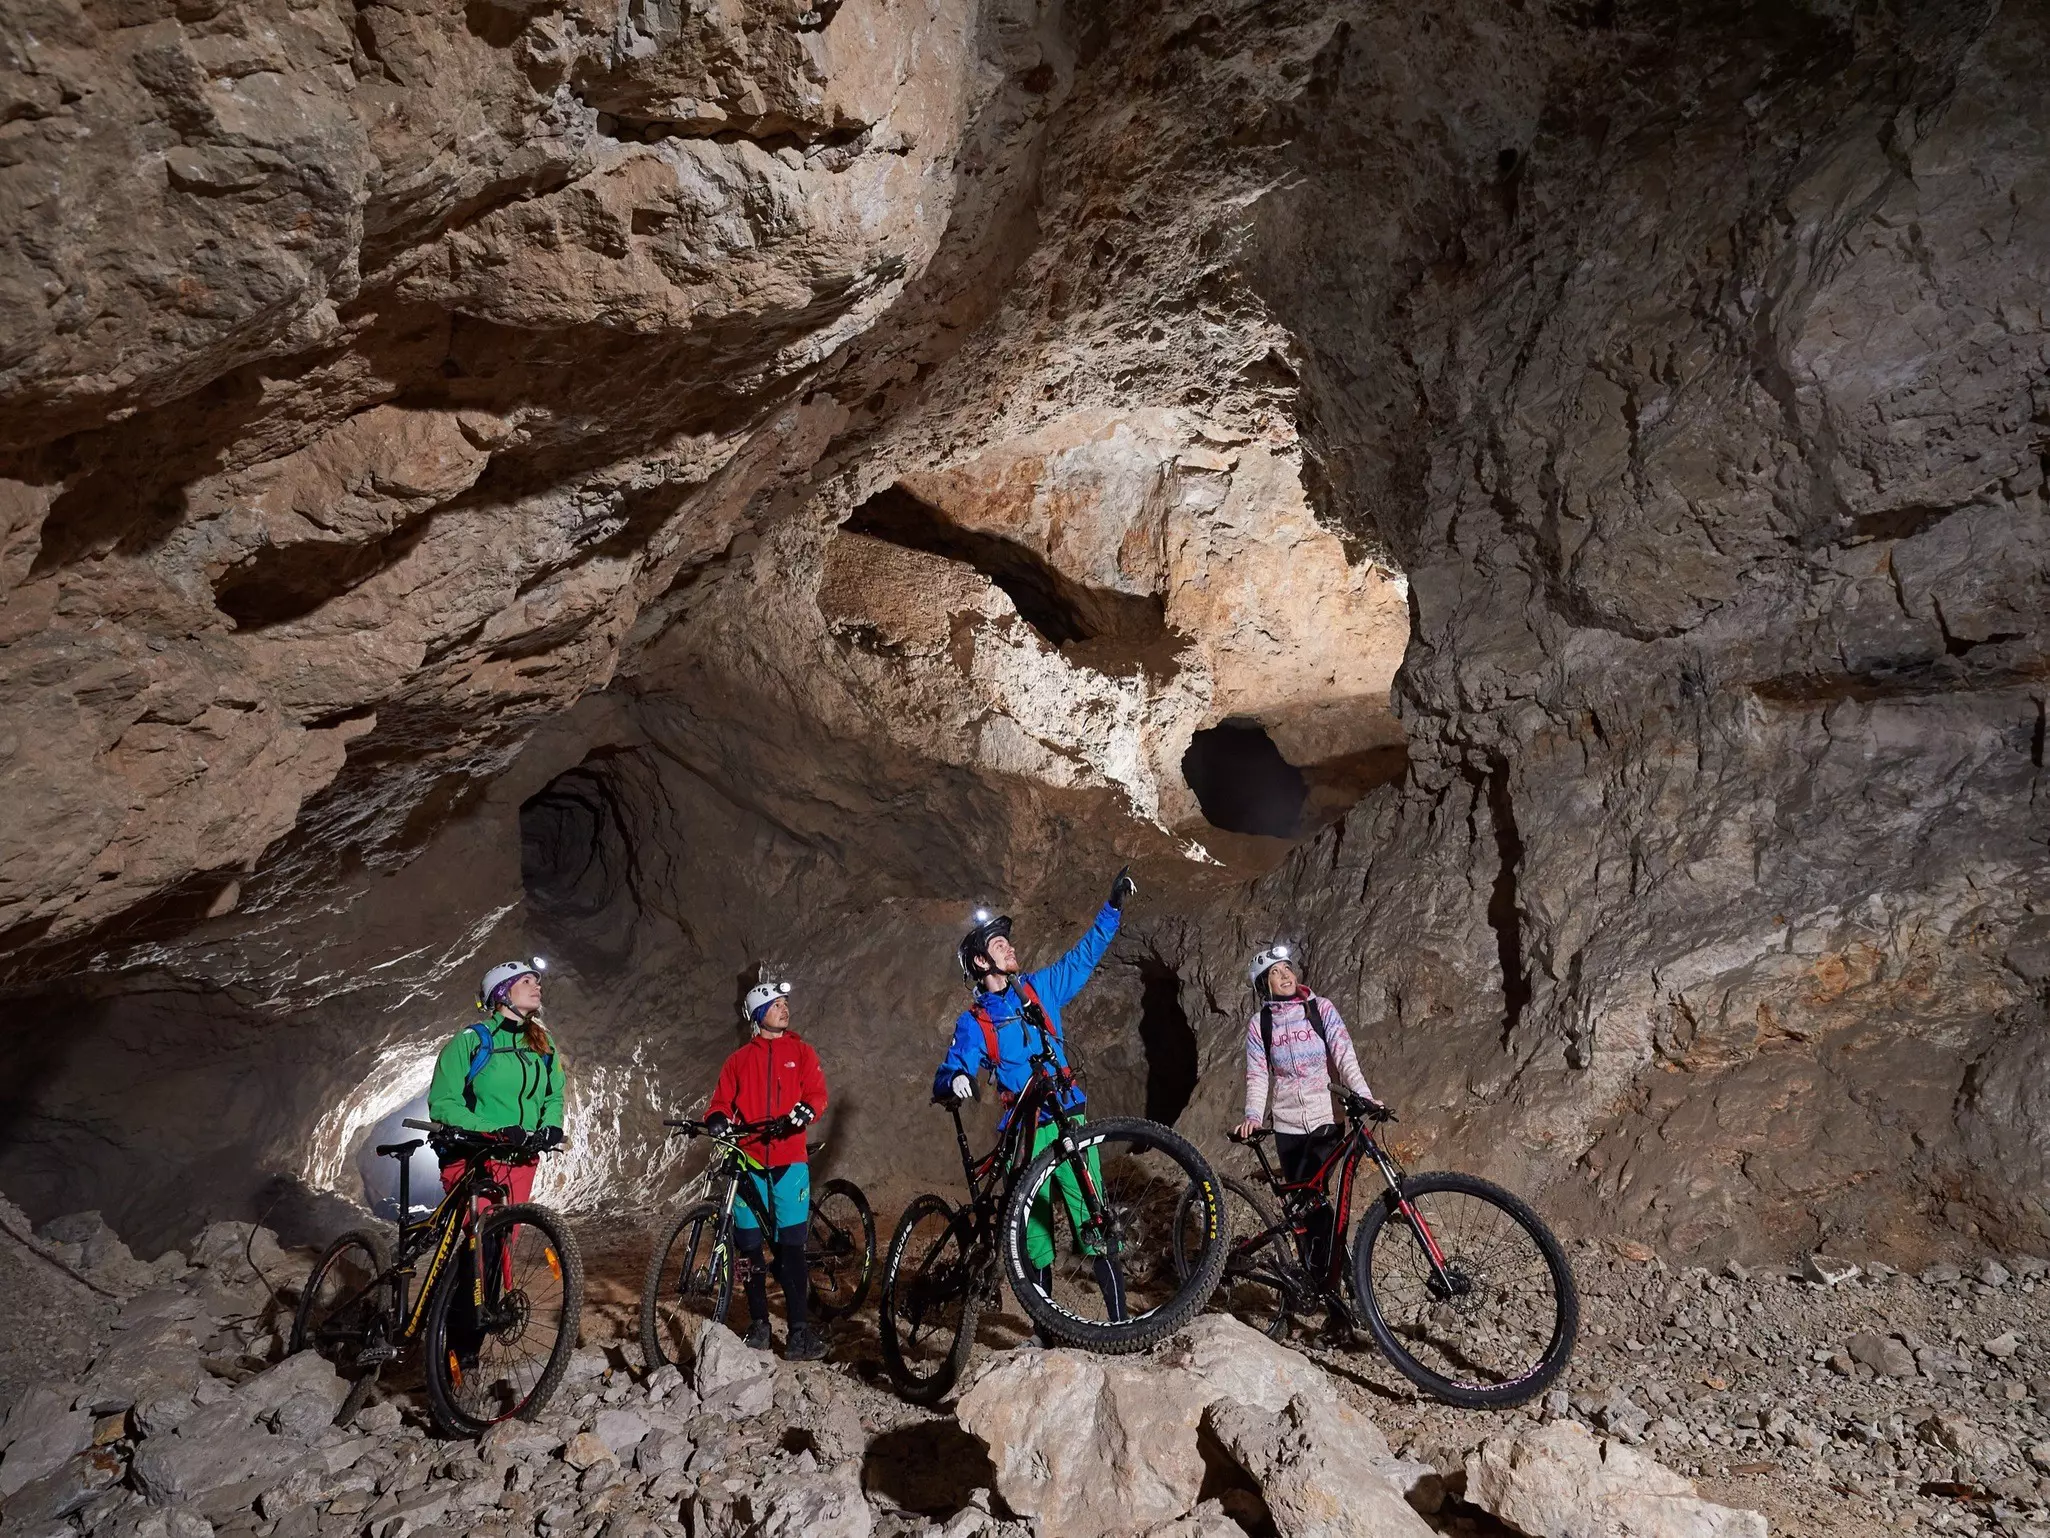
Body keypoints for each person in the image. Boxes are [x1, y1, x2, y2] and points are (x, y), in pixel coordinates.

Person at [932, 868, 1138, 1323]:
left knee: (1095, 1220)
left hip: (1068, 1117)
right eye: (998, 944)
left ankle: (1121, 1326)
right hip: (1025, 1134)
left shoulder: (1037, 991)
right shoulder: (976, 1021)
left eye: (1008, 941)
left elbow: (1081, 958)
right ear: (981, 963)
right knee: (1036, 1235)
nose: (1010, 946)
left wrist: (1111, 909)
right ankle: (1046, 1333)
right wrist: (955, 1080)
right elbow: (954, 1064)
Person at [425, 957, 568, 1367]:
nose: (537, 986)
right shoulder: (470, 1041)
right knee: (482, 1244)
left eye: (537, 980)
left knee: (502, 1243)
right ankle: (458, 1351)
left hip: (519, 1162)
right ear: (501, 993)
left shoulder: (543, 1043)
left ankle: (473, 1331)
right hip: (476, 1156)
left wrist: (551, 1126)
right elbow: (444, 1102)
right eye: (527, 981)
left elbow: (553, 1094)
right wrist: (496, 1127)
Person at [704, 978, 829, 1360]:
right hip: (750, 1161)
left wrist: (808, 1109)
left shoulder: (802, 1052)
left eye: (786, 1003)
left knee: (791, 1249)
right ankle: (758, 1324)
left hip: (789, 1160)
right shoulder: (739, 1060)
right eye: (776, 1004)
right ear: (759, 1015)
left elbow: (817, 1094)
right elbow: (719, 1103)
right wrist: (716, 1119)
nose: (785, 1008)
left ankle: (798, 1333)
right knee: (748, 1250)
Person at [1234, 943, 1374, 1279]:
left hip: (1326, 1117)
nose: (1285, 975)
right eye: (1275, 973)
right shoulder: (1260, 1024)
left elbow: (1344, 1053)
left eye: (1287, 969)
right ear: (1263, 985)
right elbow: (1257, 1074)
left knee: (1322, 1205)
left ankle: (1337, 1281)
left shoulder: (1320, 1008)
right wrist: (1253, 1115)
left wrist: (1364, 1095)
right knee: (1301, 1209)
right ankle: (1314, 1280)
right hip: (1287, 1126)